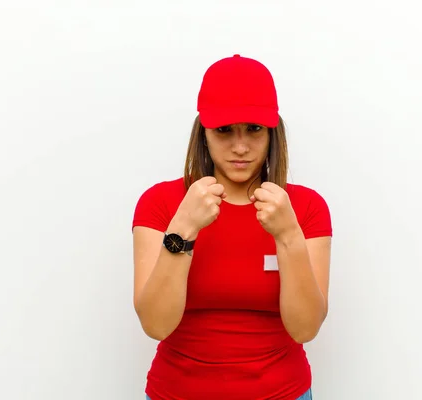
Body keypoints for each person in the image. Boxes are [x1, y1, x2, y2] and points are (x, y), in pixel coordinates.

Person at [131, 54, 333, 400]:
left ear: (272, 133)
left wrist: (288, 236)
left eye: (254, 129)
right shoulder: (161, 203)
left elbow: (305, 328)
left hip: (283, 393)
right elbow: (155, 324)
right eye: (224, 130)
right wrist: (183, 230)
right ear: (204, 133)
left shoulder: (305, 208)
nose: (240, 147)